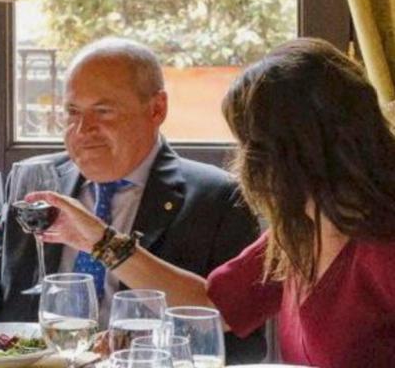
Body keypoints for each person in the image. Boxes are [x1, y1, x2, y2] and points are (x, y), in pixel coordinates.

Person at [31, 38, 395, 367]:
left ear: (297, 148)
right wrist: (99, 240)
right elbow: (209, 305)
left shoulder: (382, 248)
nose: (244, 160)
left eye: (250, 144)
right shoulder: (296, 233)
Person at [0, 38, 266, 362]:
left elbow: (244, 343)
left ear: (157, 109)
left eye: (103, 111)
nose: (83, 129)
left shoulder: (217, 198)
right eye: (73, 112)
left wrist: (148, 343)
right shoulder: (35, 183)